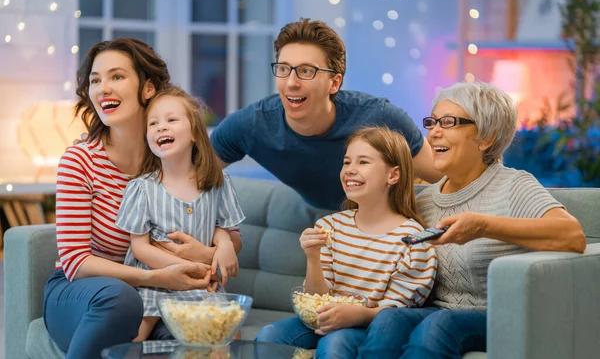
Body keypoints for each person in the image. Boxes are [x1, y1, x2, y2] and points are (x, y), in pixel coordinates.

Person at [355, 82, 587, 359]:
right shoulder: (425, 201)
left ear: (487, 137)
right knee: (389, 320)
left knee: (439, 325)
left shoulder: (514, 186)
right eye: (433, 122)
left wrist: (483, 226)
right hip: (437, 313)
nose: (434, 133)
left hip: (497, 315)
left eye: (449, 122)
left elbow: (572, 235)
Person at [43, 38, 241, 359]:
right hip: (82, 293)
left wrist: (207, 251)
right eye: (95, 80)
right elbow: (76, 262)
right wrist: (156, 277)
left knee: (191, 329)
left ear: (147, 88)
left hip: (155, 293)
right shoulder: (80, 161)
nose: (103, 88)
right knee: (122, 298)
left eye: (117, 76)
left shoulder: (169, 160)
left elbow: (222, 222)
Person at [210, 18, 442, 210]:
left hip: (396, 213)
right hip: (331, 223)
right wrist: (222, 235)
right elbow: (191, 178)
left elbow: (446, 178)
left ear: (334, 83)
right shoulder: (249, 125)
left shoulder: (381, 117)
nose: (291, 83)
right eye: (283, 69)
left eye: (306, 71)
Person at [255, 126, 438, 358]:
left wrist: (356, 314)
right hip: (324, 320)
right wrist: (313, 256)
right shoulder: (330, 226)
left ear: (393, 175)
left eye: (363, 162)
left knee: (335, 344)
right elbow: (316, 299)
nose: (350, 170)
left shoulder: (414, 241)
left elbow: (396, 318)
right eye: (346, 162)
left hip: (368, 328)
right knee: (269, 335)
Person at [115, 86, 245, 342]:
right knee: (132, 339)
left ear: (195, 133)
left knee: (231, 333)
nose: (161, 127)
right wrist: (186, 267)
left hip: (200, 286)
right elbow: (139, 248)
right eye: (153, 124)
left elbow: (228, 232)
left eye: (172, 120)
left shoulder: (219, 183)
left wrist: (227, 243)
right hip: (153, 283)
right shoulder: (142, 188)